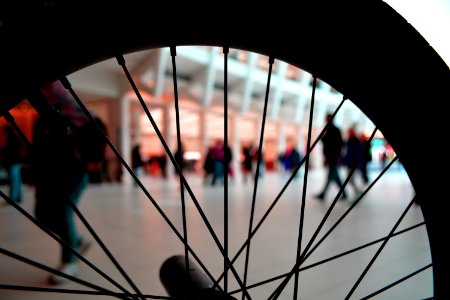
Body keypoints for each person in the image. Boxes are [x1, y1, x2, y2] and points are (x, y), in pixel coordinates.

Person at [31, 80, 99, 284]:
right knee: (42, 215)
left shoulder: (76, 111)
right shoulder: (42, 115)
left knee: (63, 213)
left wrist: (90, 161)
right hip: (50, 174)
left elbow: (95, 135)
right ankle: (76, 241)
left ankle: (70, 261)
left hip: (74, 174)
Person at [315, 113, 347, 201]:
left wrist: (338, 156)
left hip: (333, 156)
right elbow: (326, 143)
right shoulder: (328, 130)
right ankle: (344, 193)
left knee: (331, 176)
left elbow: (339, 144)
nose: (326, 120)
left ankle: (323, 194)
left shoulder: (335, 130)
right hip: (329, 156)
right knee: (335, 176)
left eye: (327, 118)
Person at [1, 125, 25, 204]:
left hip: (13, 162)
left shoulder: (12, 138)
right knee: (17, 180)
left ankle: (13, 198)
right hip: (16, 162)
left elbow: (10, 150)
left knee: (14, 181)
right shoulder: (14, 137)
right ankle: (18, 197)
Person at [342, 125, 363, 196]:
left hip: (353, 163)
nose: (348, 134)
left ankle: (357, 193)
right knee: (350, 179)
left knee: (351, 179)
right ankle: (358, 191)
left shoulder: (355, 141)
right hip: (349, 163)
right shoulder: (349, 141)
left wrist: (358, 164)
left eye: (349, 132)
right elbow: (346, 153)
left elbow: (357, 153)